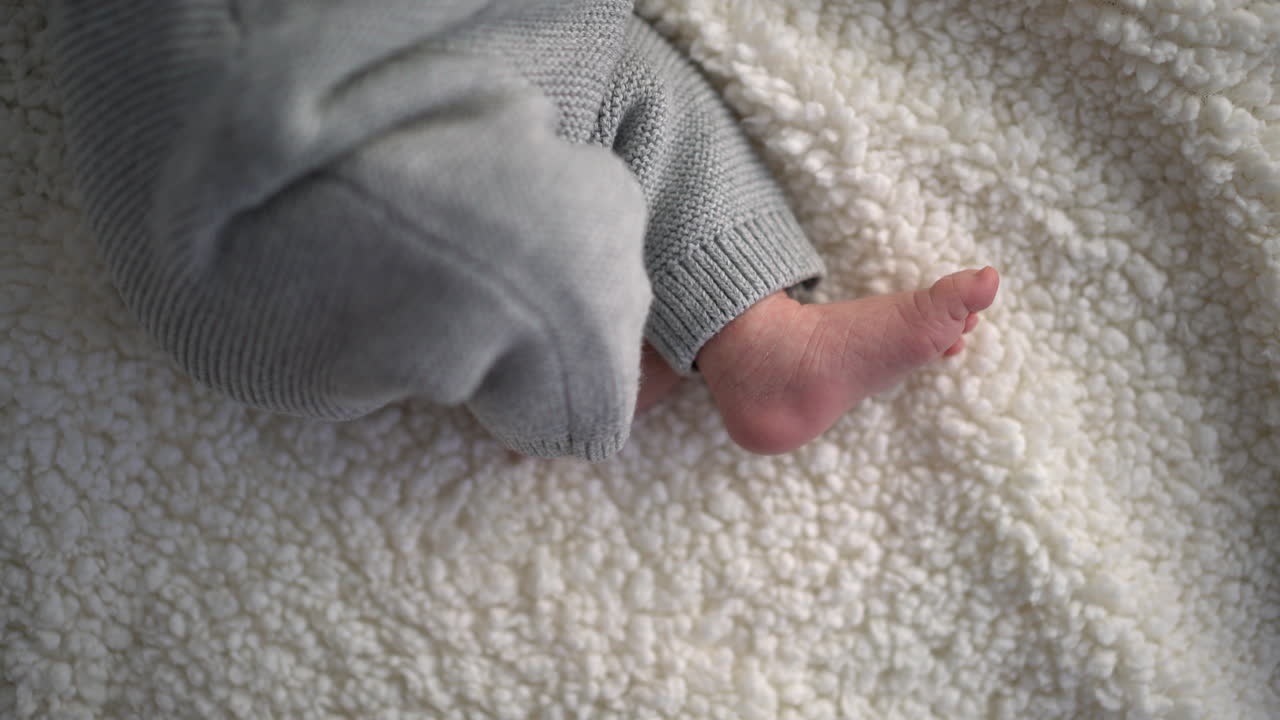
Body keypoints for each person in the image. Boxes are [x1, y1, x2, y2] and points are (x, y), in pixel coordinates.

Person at [51, 0, 998, 461]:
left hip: (228, 115)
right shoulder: (391, 193)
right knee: (607, 140)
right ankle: (714, 352)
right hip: (303, 209)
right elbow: (549, 267)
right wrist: (583, 391)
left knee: (614, 89)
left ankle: (760, 354)